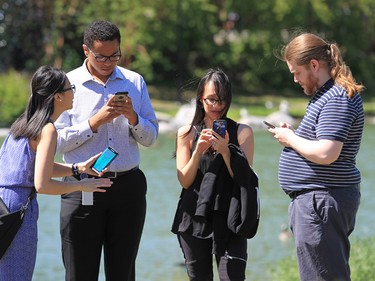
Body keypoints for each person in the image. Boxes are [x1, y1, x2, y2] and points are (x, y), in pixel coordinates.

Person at [55, 20, 158, 281]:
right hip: (81, 186)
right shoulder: (67, 84)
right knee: (80, 273)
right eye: (101, 56)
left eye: (115, 55)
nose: (108, 62)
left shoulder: (134, 81)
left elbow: (152, 138)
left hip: (128, 189)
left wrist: (134, 118)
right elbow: (54, 143)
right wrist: (94, 122)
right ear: (86, 50)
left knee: (123, 273)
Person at [0, 65, 113, 281]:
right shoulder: (47, 129)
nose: (73, 92)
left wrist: (77, 168)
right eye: (70, 88)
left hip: (3, 205)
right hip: (17, 210)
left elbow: (35, 168)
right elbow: (42, 184)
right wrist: (81, 185)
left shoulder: (23, 123)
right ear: (58, 96)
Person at [271, 32, 365, 281]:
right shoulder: (328, 96)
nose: (294, 79)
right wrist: (293, 136)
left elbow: (327, 152)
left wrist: (290, 140)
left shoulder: (335, 98)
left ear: (314, 65)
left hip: (320, 202)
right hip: (319, 201)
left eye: (296, 72)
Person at [172, 68, 257, 281]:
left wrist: (226, 150)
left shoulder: (242, 132)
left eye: (222, 100)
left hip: (231, 217)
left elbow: (243, 178)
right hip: (194, 215)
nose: (216, 106)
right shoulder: (187, 133)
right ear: (200, 99)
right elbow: (184, 180)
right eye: (211, 99)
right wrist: (198, 151)